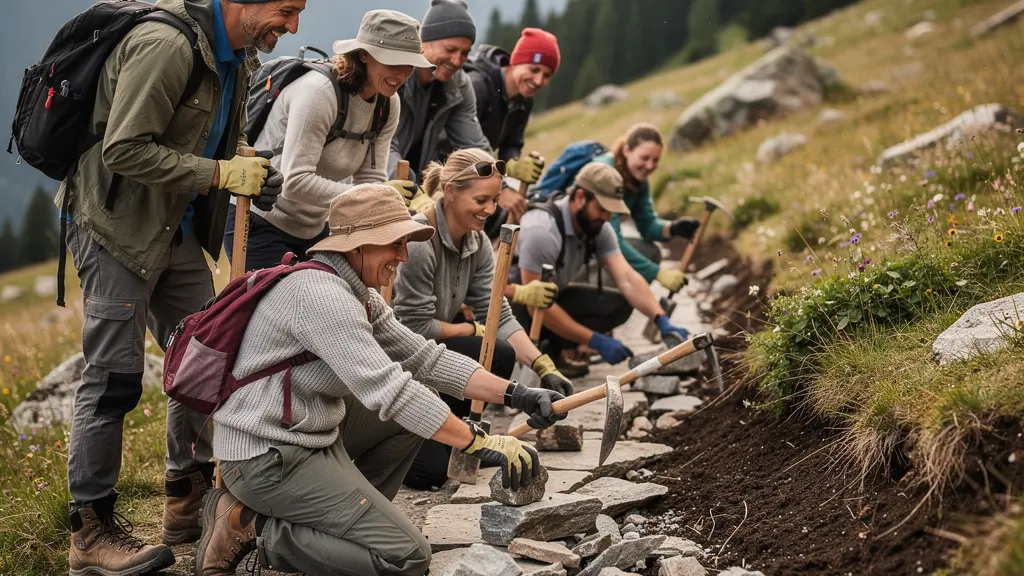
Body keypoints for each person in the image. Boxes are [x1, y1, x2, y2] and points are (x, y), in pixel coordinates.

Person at [195, 184, 565, 575]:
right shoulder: (322, 297)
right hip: (266, 457)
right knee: (407, 558)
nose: (403, 256)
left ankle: (346, 525)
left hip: (307, 434)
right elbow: (391, 389)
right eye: (395, 244)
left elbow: (425, 358)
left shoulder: (359, 294)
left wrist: (516, 393)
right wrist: (479, 442)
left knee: (412, 418)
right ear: (358, 245)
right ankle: (252, 528)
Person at [57, 0, 304, 573]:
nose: (293, 27)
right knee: (114, 379)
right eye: (287, 10)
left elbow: (219, 139)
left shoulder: (237, 56)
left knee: (207, 359)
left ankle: (185, 501)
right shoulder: (166, 45)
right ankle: (88, 535)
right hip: (115, 228)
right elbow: (122, 148)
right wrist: (218, 174)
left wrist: (250, 170)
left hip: (176, 227)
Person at [392, 148, 572, 490]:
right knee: (430, 473)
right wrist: (470, 328)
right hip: (401, 361)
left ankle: (453, 431)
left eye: (495, 200)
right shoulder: (418, 240)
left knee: (501, 352)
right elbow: (412, 328)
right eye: (481, 200)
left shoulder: (476, 242)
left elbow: (498, 314)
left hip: (435, 352)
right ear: (450, 192)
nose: (491, 210)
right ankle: (418, 435)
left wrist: (543, 366)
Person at [223, 9, 436, 272]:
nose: (403, 73)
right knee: (271, 311)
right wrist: (376, 195)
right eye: (393, 62)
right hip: (260, 220)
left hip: (316, 227)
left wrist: (384, 204)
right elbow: (294, 182)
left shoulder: (388, 104)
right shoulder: (318, 93)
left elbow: (370, 179)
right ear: (363, 55)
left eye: (410, 64)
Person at [508, 163, 692, 378]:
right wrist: (594, 340)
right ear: (579, 197)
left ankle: (555, 349)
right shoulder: (542, 231)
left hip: (550, 298)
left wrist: (660, 319)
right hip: (516, 307)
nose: (607, 218)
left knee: (617, 305)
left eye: (611, 211)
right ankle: (534, 352)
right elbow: (535, 307)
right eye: (602, 209)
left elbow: (626, 277)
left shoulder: (598, 227)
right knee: (533, 312)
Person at [385, 0, 529, 222]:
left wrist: (501, 182)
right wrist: (415, 192)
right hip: (377, 184)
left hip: (418, 188)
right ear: (424, 43)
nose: (457, 60)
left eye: (464, 53)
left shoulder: (459, 86)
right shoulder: (397, 77)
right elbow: (384, 146)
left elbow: (474, 142)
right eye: (450, 50)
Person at [462, 27, 559, 235]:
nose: (539, 80)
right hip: (449, 174)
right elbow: (458, 144)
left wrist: (514, 162)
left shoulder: (524, 102)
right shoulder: (478, 86)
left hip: (481, 175)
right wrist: (501, 189)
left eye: (547, 75)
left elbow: (511, 145)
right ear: (516, 61)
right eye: (534, 69)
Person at [592, 123, 702, 293]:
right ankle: (602, 302)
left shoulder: (638, 180)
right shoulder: (604, 174)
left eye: (655, 160)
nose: (650, 166)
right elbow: (612, 241)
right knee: (625, 260)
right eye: (644, 158)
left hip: (595, 244)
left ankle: (626, 300)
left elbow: (647, 225)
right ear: (627, 150)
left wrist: (674, 228)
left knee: (650, 251)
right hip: (576, 249)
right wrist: (658, 274)